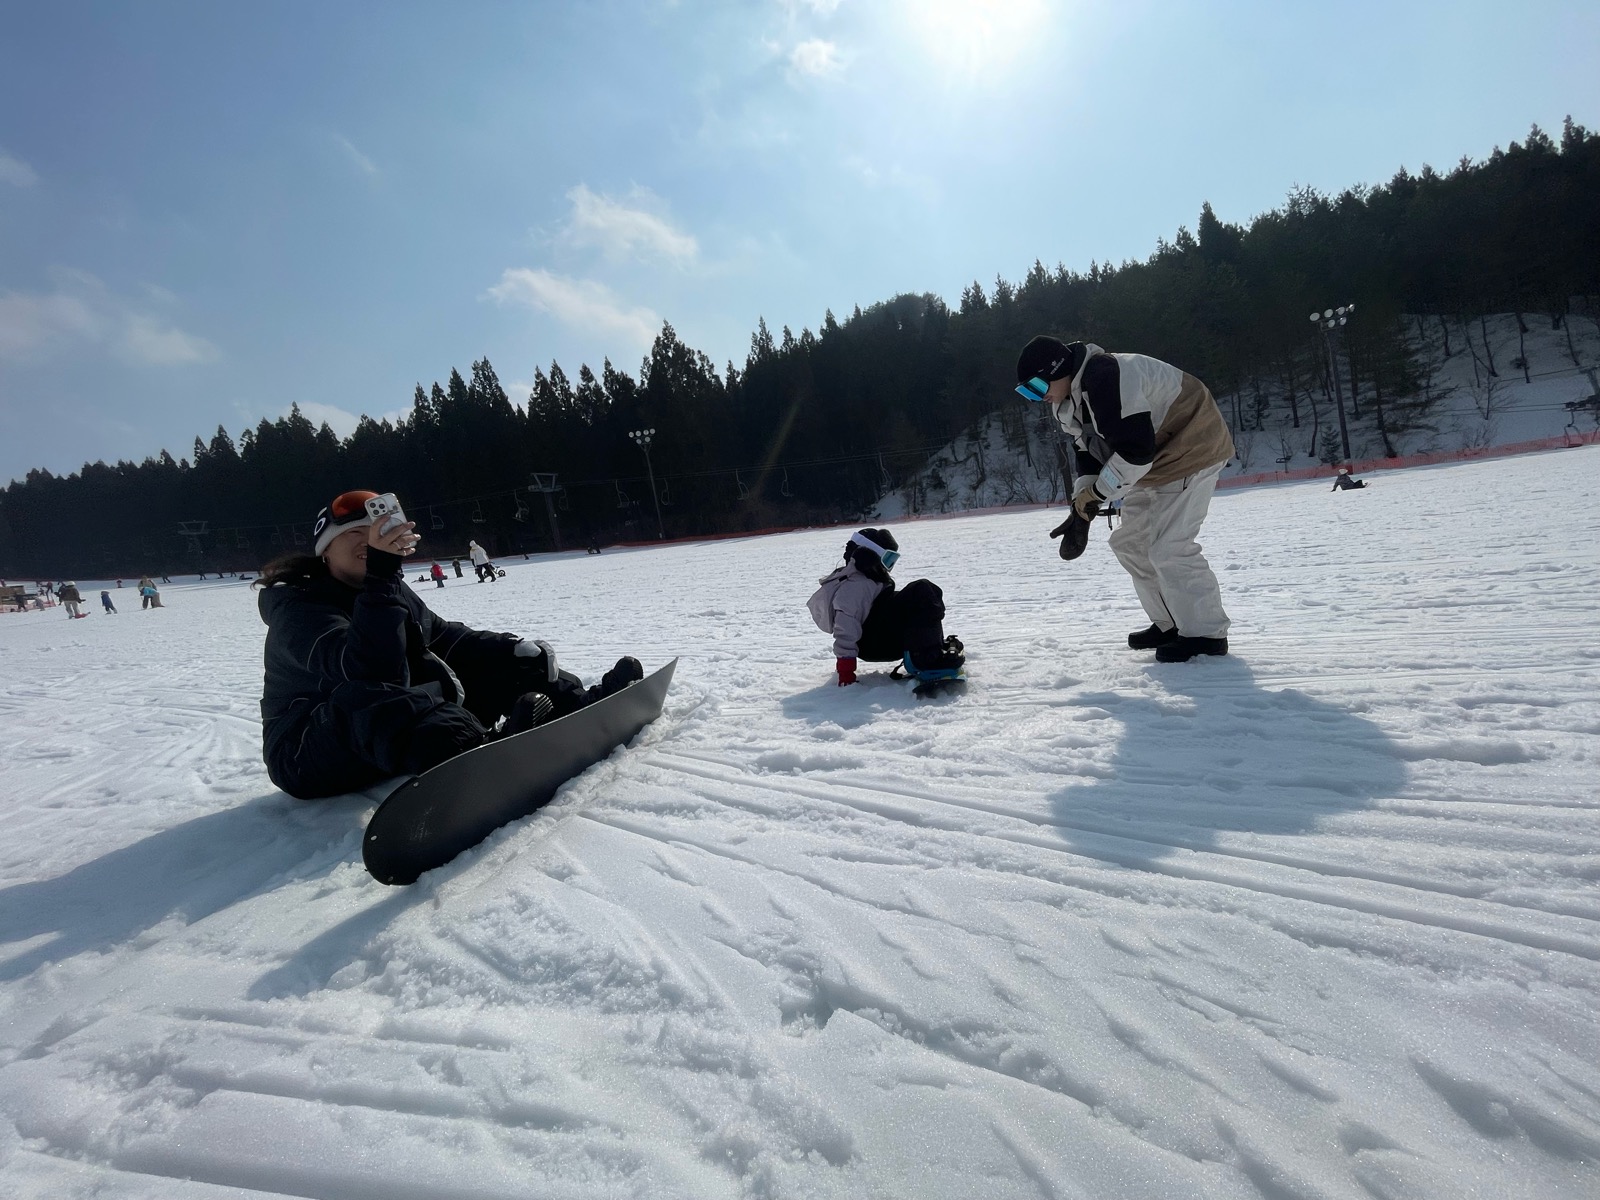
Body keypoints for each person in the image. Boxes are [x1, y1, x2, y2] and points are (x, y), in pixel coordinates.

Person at [255, 489, 643, 800]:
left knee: (505, 661)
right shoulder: (299, 608)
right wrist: (382, 574)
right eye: (354, 535)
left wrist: (509, 651)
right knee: (370, 697)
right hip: (306, 750)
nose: (367, 543)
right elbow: (371, 672)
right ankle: (479, 759)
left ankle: (578, 707)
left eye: (375, 533)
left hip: (382, 730)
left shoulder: (387, 588)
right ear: (325, 550)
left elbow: (443, 638)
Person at [1015, 336, 1235, 662]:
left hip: (1192, 446)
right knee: (1130, 544)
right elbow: (1087, 454)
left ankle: (1205, 633)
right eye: (1025, 393)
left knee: (1169, 546)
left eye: (1035, 386)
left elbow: (1135, 453)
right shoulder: (1066, 404)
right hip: (1154, 462)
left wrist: (1097, 494)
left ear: (1058, 369)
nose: (1036, 397)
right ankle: (1171, 623)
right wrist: (1082, 505)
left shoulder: (1105, 375)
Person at [808, 528, 964, 687]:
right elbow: (845, 629)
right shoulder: (854, 587)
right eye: (887, 559)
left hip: (877, 638)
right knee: (920, 590)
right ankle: (927, 661)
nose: (888, 568)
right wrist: (846, 673)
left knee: (927, 592)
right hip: (873, 645)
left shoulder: (866, 581)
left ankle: (930, 649)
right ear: (868, 556)